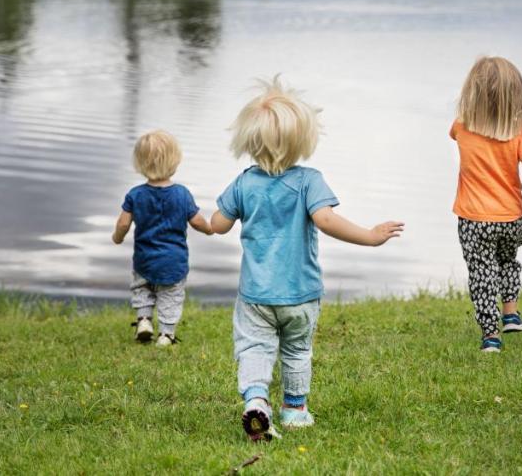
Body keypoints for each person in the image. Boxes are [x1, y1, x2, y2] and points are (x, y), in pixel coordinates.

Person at [209, 76, 404, 441]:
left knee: (254, 346)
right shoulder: (309, 181)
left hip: (256, 295)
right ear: (302, 139)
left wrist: (206, 224)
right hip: (301, 292)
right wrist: (370, 236)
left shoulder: (243, 183)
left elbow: (218, 224)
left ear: (249, 139)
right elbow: (326, 220)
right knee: (298, 349)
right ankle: (295, 411)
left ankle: (256, 399)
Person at [450, 56, 522, 353]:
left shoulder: (462, 127)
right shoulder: (518, 134)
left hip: (474, 219)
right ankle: (511, 313)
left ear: (471, 93)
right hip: (511, 218)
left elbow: (456, 131)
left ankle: (491, 334)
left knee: (482, 273)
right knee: (508, 262)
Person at [112, 130, 213, 347]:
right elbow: (196, 221)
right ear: (175, 161)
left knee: (142, 288)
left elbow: (122, 223)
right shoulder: (182, 194)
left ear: (140, 163)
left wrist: (117, 238)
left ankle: (145, 320)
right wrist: (209, 229)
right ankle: (166, 335)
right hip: (173, 261)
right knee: (171, 296)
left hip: (144, 259)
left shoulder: (135, 194)